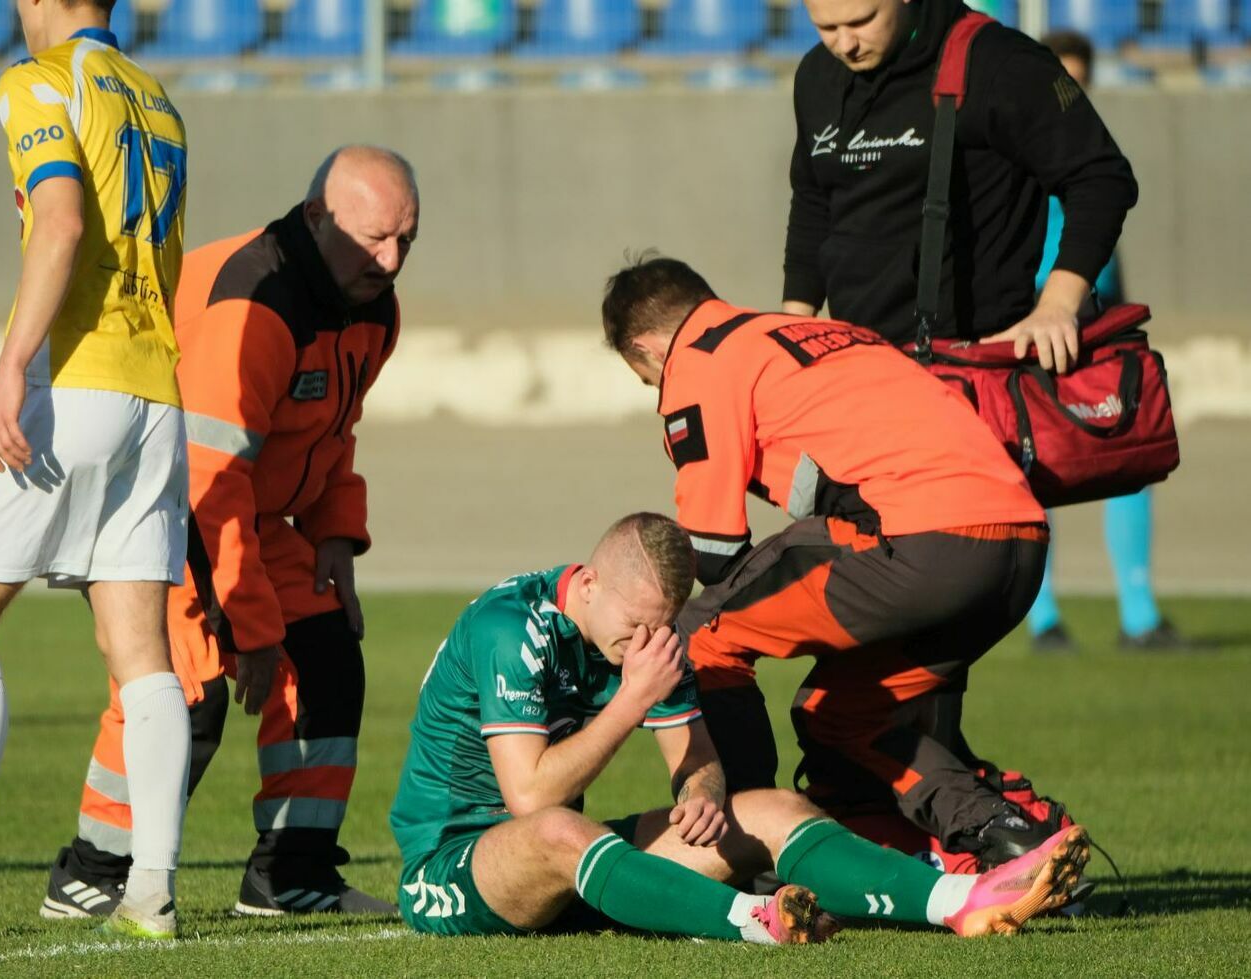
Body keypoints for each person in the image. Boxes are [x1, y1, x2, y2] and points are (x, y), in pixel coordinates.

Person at [389, 512, 1090, 941]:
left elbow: (696, 759)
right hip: (453, 867)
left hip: (565, 867)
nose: (646, 645)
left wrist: (700, 788)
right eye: (634, 627)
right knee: (558, 829)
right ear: (590, 583)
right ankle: (753, 922)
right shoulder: (511, 627)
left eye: (660, 628)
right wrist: (633, 699)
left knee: (771, 810)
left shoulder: (646, 636)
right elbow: (529, 799)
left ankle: (960, 899)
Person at [40, 145, 416, 920]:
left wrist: (336, 535)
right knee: (188, 689)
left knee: (327, 658)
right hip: (161, 503)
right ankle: (94, 867)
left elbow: (333, 433)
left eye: (407, 240)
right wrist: (248, 623)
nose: (391, 258)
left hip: (243, 509)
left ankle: (291, 872)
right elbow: (211, 476)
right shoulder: (256, 301)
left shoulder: (372, 306)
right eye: (375, 238)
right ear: (317, 217)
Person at [602, 255, 1067, 868]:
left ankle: (748, 852)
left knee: (696, 636)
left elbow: (712, 549)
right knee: (837, 716)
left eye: (646, 379)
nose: (656, 390)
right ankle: (1005, 836)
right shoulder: (822, 334)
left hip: (921, 541)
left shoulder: (701, 359)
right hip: (1021, 546)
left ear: (649, 349)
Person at [0, 0, 190, 940]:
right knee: (140, 649)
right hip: (157, 390)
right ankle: (151, 888)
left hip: (75, 381)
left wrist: (11, 359)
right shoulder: (157, 99)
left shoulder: (35, 81)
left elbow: (61, 222)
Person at [783, 0, 1138, 373]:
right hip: (856, 364)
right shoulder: (816, 75)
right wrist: (794, 329)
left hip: (973, 366)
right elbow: (812, 203)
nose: (845, 45)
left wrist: (1057, 307)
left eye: (861, 21)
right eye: (826, 28)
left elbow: (1100, 177)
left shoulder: (999, 61)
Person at [1025, 31, 1183, 653]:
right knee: (1036, 463)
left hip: (1100, 321)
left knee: (1130, 454)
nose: (1070, 96)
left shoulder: (1090, 156)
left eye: (1078, 83)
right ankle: (1042, 621)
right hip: (1031, 326)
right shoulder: (1012, 152)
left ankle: (1139, 616)